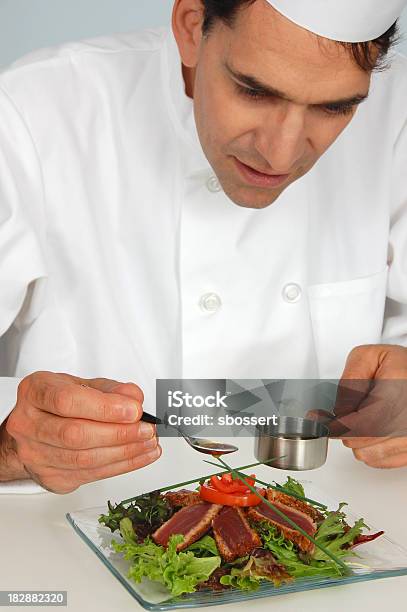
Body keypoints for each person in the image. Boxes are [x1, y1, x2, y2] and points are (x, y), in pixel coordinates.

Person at [0, 0, 407, 493]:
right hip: (65, 540)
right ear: (193, 27)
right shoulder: (33, 111)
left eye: (334, 107)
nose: (281, 152)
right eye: (253, 91)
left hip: (340, 541)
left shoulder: (397, 114)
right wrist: (11, 447)